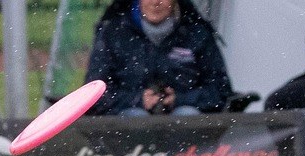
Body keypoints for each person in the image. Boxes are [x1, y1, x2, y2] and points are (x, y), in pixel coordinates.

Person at [85, 0, 232, 117]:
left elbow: (220, 91)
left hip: (185, 132)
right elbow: (94, 92)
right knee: (136, 119)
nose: (156, 2)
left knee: (187, 117)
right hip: (126, 132)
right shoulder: (112, 33)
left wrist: (180, 100)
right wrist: (138, 100)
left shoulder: (198, 34)